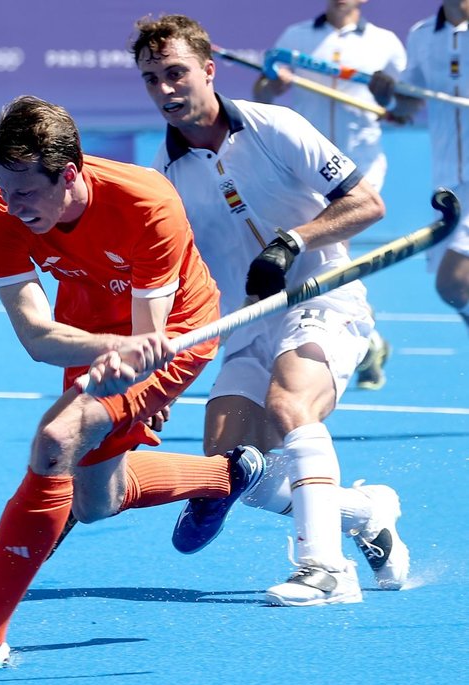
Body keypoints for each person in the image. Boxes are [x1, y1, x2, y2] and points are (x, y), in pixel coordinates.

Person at [0, 95, 269, 673]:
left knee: (56, 439)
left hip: (177, 329)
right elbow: (39, 337)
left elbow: (150, 340)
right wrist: (114, 356)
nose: (11, 205)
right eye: (1, 186)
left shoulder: (146, 202)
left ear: (69, 174)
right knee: (95, 502)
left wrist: (141, 388)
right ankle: (227, 474)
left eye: (26, 192)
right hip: (90, 326)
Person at [131, 14, 410, 607]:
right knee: (234, 472)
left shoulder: (276, 126)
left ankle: (325, 568)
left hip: (325, 299)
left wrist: (294, 241)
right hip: (244, 327)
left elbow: (367, 203)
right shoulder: (162, 180)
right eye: (152, 79)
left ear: (208, 70)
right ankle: (365, 511)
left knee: (290, 403)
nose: (166, 89)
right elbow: (171, 284)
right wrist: (156, 391)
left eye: (176, 72)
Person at [253, 0, 407, 391]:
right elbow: (263, 91)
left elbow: (404, 107)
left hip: (361, 168)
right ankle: (368, 342)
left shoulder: (385, 43)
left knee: (332, 253)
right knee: (322, 260)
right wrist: (275, 84)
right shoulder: (297, 37)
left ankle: (353, 339)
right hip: (308, 170)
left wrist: (390, 97)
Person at [369, 0, 469, 330]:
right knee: (456, 291)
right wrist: (388, 96)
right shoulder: (421, 34)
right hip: (448, 182)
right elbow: (408, 103)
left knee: (453, 282)